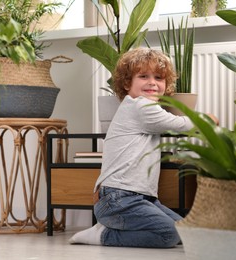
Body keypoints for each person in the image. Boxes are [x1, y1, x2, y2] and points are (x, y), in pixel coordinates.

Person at [69, 48, 218, 248]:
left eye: (159, 77)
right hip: (119, 199)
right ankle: (103, 235)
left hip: (139, 199)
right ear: (126, 82)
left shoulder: (140, 108)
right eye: (143, 76)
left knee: (186, 232)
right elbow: (180, 124)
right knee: (169, 234)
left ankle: (110, 229)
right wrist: (208, 119)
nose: (152, 82)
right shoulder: (140, 107)